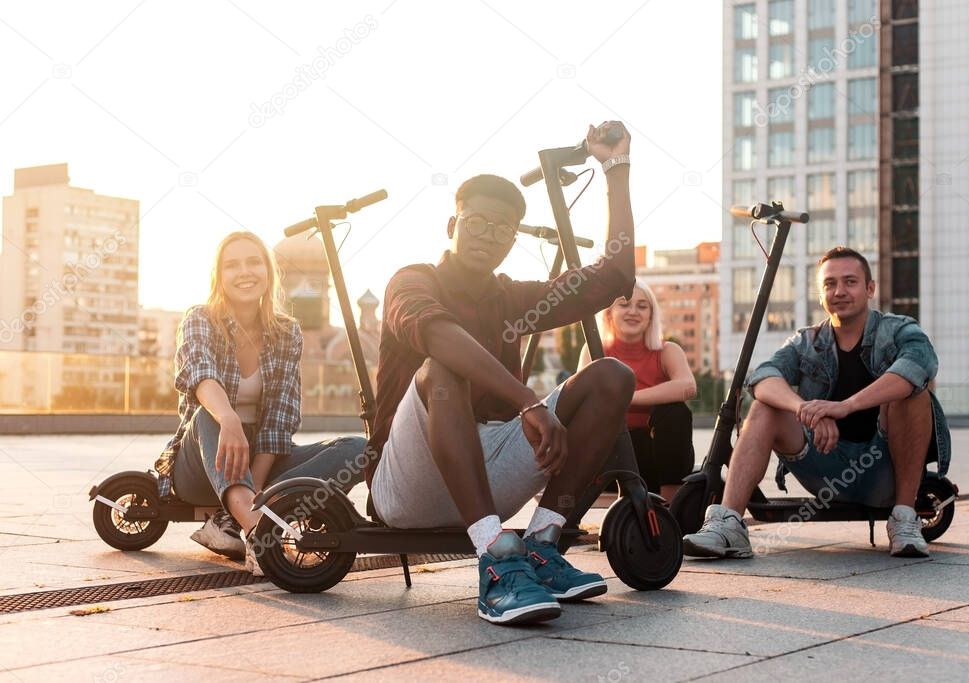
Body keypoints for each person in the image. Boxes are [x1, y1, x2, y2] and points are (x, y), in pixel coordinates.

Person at [366, 122, 636, 625]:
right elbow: (441, 337)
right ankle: (496, 558)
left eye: (501, 229)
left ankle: (540, 545)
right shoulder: (410, 280)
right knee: (443, 365)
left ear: (513, 239)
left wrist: (616, 169)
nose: (486, 236)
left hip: (487, 472)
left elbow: (616, 276)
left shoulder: (512, 297)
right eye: (476, 223)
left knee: (612, 375)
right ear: (453, 224)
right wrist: (527, 401)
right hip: (408, 482)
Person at [682, 246, 950, 559]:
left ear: (870, 288)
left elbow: (920, 363)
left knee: (913, 393)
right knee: (767, 405)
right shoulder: (807, 341)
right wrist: (804, 410)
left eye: (850, 281)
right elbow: (763, 376)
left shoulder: (898, 329)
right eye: (829, 284)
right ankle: (728, 524)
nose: (839, 291)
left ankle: (904, 519)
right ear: (820, 294)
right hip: (824, 466)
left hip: (886, 470)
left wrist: (845, 406)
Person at [154, 231, 365, 575]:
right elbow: (200, 375)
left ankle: (244, 514)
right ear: (219, 277)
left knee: (358, 448)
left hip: (259, 461)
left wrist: (256, 482)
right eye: (232, 265)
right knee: (209, 418)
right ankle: (259, 531)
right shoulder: (200, 319)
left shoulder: (287, 332)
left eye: (254, 262)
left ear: (268, 273)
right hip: (204, 457)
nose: (244, 272)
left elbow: (280, 417)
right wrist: (229, 419)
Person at [579, 278, 697, 500]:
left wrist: (628, 398)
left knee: (674, 412)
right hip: (611, 460)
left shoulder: (667, 350)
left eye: (642, 306)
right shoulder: (595, 350)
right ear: (609, 314)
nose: (633, 311)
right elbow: (583, 402)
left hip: (657, 461)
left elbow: (688, 386)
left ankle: (670, 506)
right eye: (624, 304)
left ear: (651, 316)